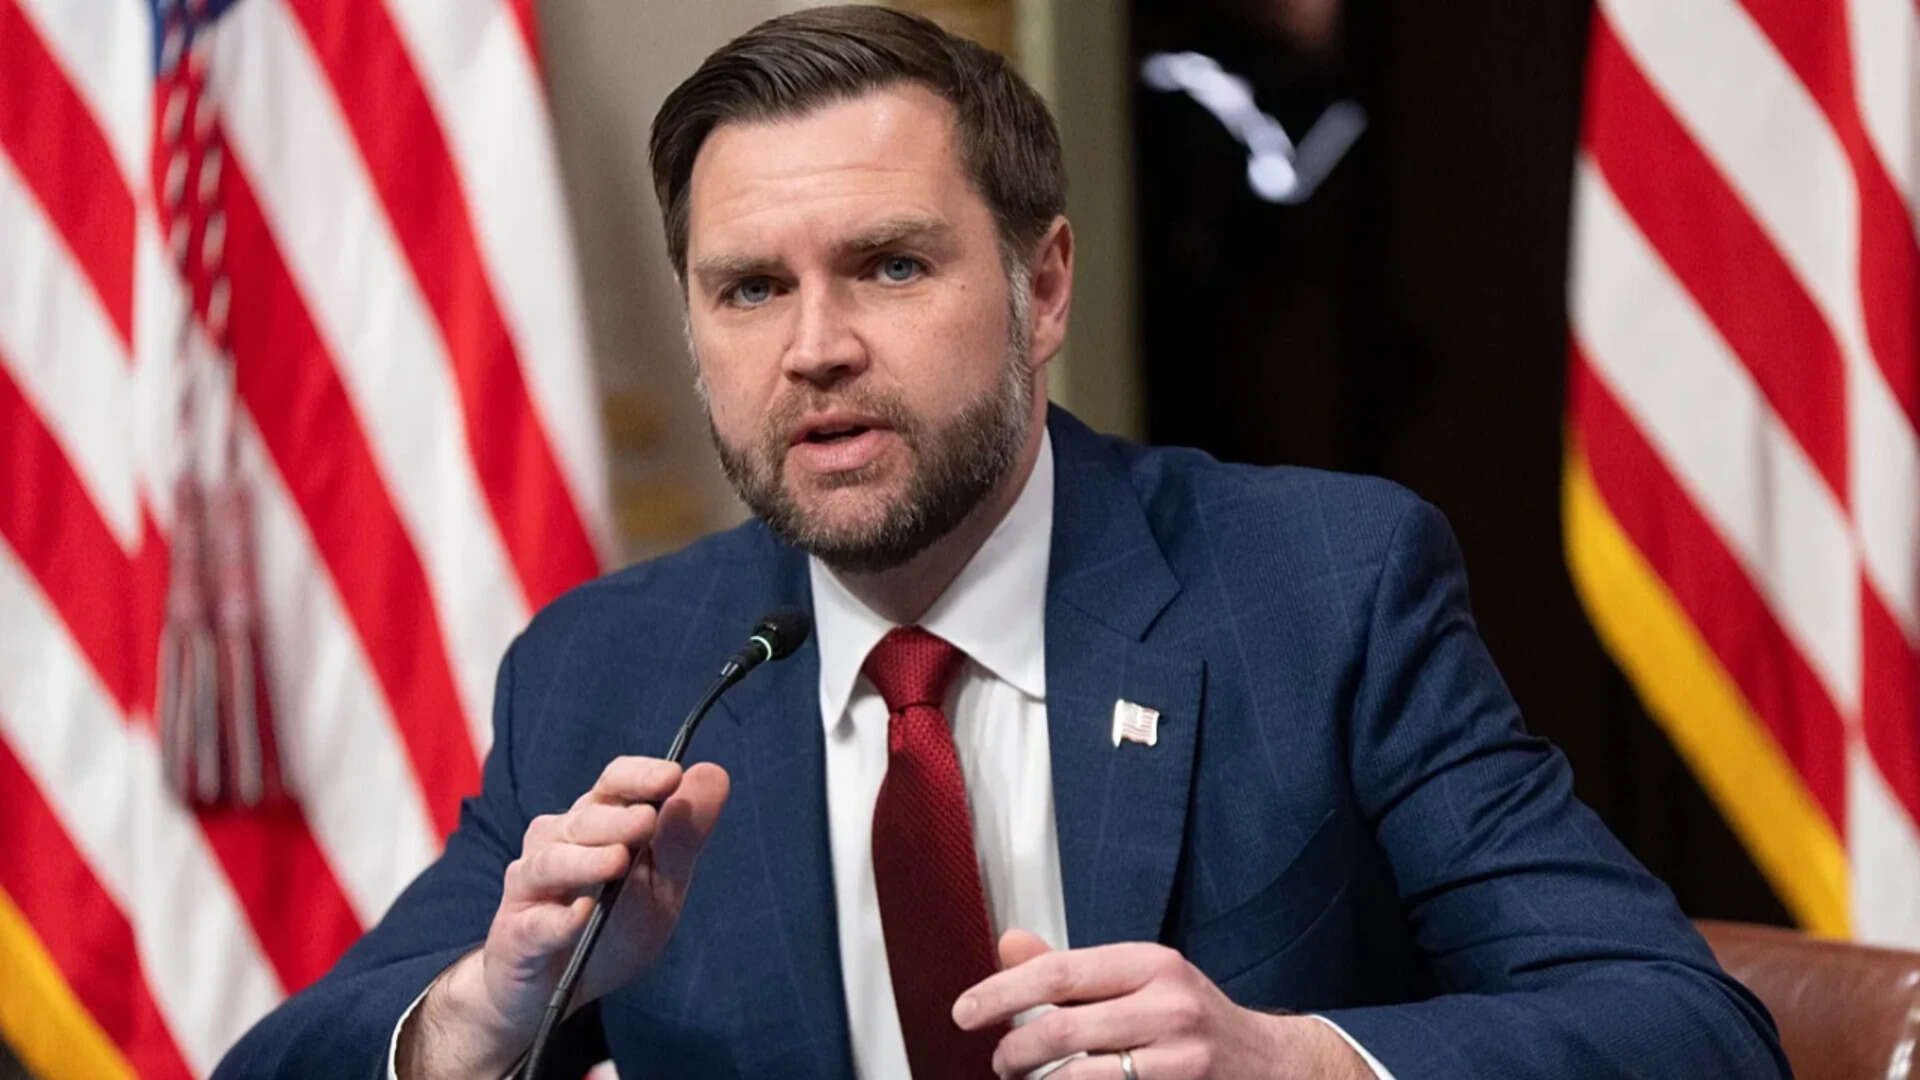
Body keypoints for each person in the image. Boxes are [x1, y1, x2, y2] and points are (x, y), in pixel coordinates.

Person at [216, 7, 1788, 1079]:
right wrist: (480, 1020)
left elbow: (1688, 1030)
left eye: (891, 267)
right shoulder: (612, 669)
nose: (814, 348)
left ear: (1043, 291)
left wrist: (1294, 1060)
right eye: (750, 289)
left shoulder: (1320, 591)